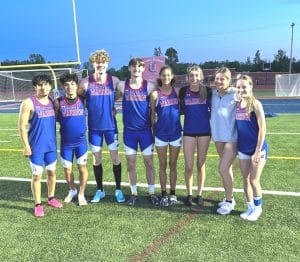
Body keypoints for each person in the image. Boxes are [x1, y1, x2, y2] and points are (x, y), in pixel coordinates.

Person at [78, 49, 125, 203]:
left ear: (107, 63)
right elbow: (77, 98)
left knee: (115, 158)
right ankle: (100, 190)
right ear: (93, 64)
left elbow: (123, 92)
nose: (100, 64)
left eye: (103, 62)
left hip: (111, 127)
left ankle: (118, 189)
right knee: (96, 160)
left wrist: (113, 104)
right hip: (94, 129)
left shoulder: (115, 80)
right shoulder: (85, 82)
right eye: (97, 62)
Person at [18, 74, 62, 217]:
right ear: (35, 87)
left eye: (46, 84)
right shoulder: (28, 103)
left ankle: (51, 198)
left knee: (52, 173)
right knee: (37, 176)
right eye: (40, 85)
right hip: (36, 147)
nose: (43, 87)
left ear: (50, 86)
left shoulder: (52, 102)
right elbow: (21, 126)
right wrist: (26, 146)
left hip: (51, 147)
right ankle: (37, 204)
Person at [117, 58, 159, 206]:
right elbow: (111, 96)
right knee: (131, 164)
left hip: (145, 131)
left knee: (149, 163)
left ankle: (152, 192)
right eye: (134, 66)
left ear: (143, 69)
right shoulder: (122, 86)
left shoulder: (150, 86)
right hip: (129, 133)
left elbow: (157, 104)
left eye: (139, 67)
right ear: (129, 68)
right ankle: (134, 193)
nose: (136, 69)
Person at [236, 74, 268, 221]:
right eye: (238, 87)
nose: (241, 89)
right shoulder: (237, 104)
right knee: (245, 178)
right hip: (243, 148)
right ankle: (249, 207)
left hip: (257, 149)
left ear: (251, 87)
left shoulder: (256, 104)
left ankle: (258, 208)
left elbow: (263, 129)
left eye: (244, 87)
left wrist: (257, 150)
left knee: (254, 180)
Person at [54, 72, 88, 206]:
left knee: (82, 167)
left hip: (81, 142)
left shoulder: (83, 99)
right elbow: (54, 118)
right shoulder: (58, 102)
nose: (70, 87)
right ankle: (72, 189)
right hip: (66, 143)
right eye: (66, 85)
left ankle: (81, 193)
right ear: (63, 87)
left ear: (76, 85)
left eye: (72, 84)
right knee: (67, 170)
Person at [179, 65, 211, 206]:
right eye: (191, 75)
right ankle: (189, 194)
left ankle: (199, 194)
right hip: (189, 132)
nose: (194, 78)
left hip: (204, 132)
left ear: (201, 76)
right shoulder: (183, 91)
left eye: (197, 75)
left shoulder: (208, 91)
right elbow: (178, 109)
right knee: (189, 165)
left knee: (200, 164)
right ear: (188, 77)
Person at [150, 66, 181, 206]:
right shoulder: (155, 94)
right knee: (162, 165)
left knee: (173, 165)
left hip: (175, 133)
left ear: (172, 76)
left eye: (168, 75)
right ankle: (163, 193)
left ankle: (173, 193)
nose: (166, 77)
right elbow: (152, 114)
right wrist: (152, 131)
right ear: (160, 76)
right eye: (163, 75)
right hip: (161, 134)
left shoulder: (178, 92)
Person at [211, 67, 238, 215]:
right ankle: (230, 197)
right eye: (217, 78)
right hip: (218, 136)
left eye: (223, 78)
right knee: (227, 169)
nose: (219, 81)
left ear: (229, 80)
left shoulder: (235, 93)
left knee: (222, 168)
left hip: (232, 138)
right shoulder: (213, 94)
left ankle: (229, 201)